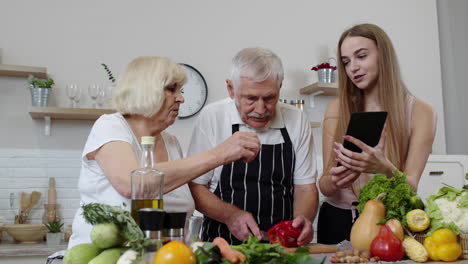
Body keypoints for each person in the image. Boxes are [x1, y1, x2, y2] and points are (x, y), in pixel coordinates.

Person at [68, 56, 261, 248]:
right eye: (171, 89)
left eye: (180, 90)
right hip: (102, 257)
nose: (181, 98)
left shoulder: (171, 143)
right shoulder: (110, 126)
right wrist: (219, 155)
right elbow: (131, 184)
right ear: (144, 90)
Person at [317, 23, 437, 244]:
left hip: (389, 223)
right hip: (337, 220)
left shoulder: (421, 112)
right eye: (346, 62)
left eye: (361, 56)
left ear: (384, 55)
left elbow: (410, 188)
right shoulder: (335, 109)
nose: (353, 67)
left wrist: (385, 168)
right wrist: (336, 181)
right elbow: (324, 185)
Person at [188, 47, 319, 245]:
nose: (260, 109)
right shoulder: (212, 117)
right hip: (221, 244)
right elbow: (196, 186)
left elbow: (306, 188)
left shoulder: (296, 119)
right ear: (231, 89)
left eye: (269, 98)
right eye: (250, 98)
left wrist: (303, 220)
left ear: (280, 87)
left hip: (281, 247)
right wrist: (230, 215)